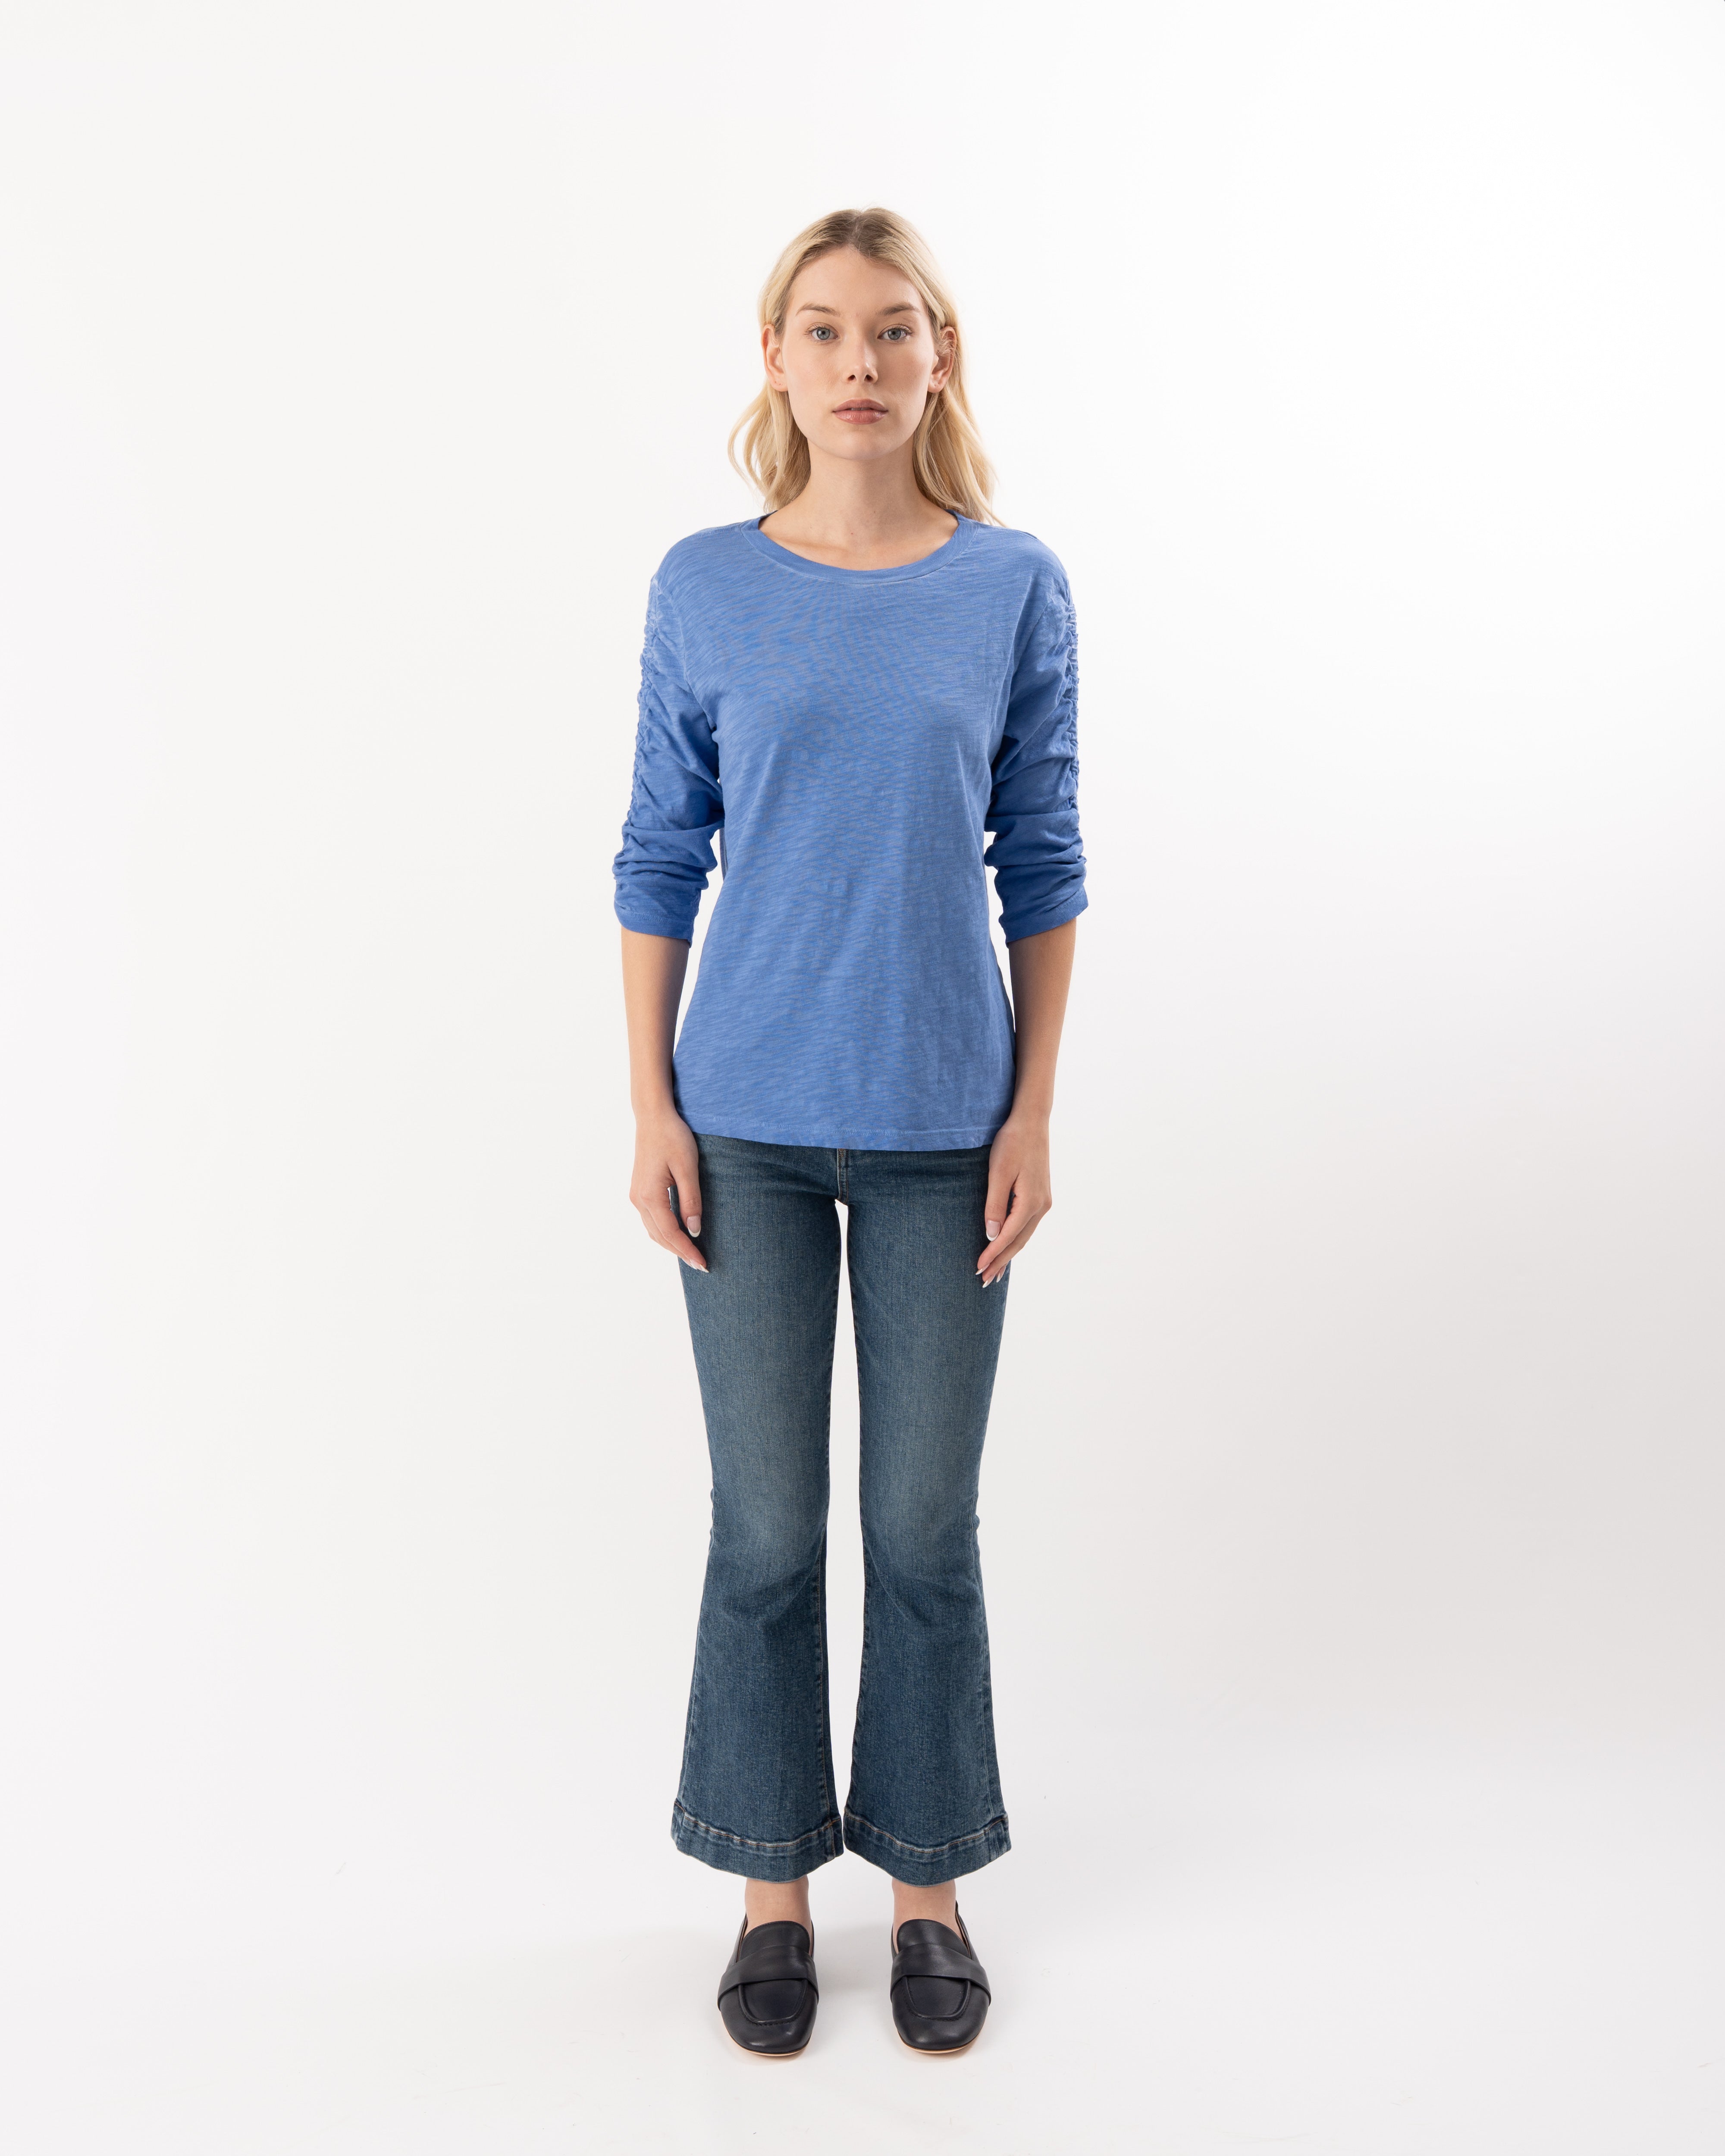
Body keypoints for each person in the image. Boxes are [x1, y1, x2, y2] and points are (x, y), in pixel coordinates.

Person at [612, 207, 1087, 2057]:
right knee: (763, 1530)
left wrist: (1033, 1107)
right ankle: (767, 1893)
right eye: (823, 330)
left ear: (939, 356)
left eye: (894, 329)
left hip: (943, 1124)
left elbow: (1043, 854)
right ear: (776, 359)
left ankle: (930, 1890)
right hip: (737, 1122)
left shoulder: (1013, 585)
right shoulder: (702, 585)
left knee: (921, 1527)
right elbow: (660, 850)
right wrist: (649, 1102)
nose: (861, 363)